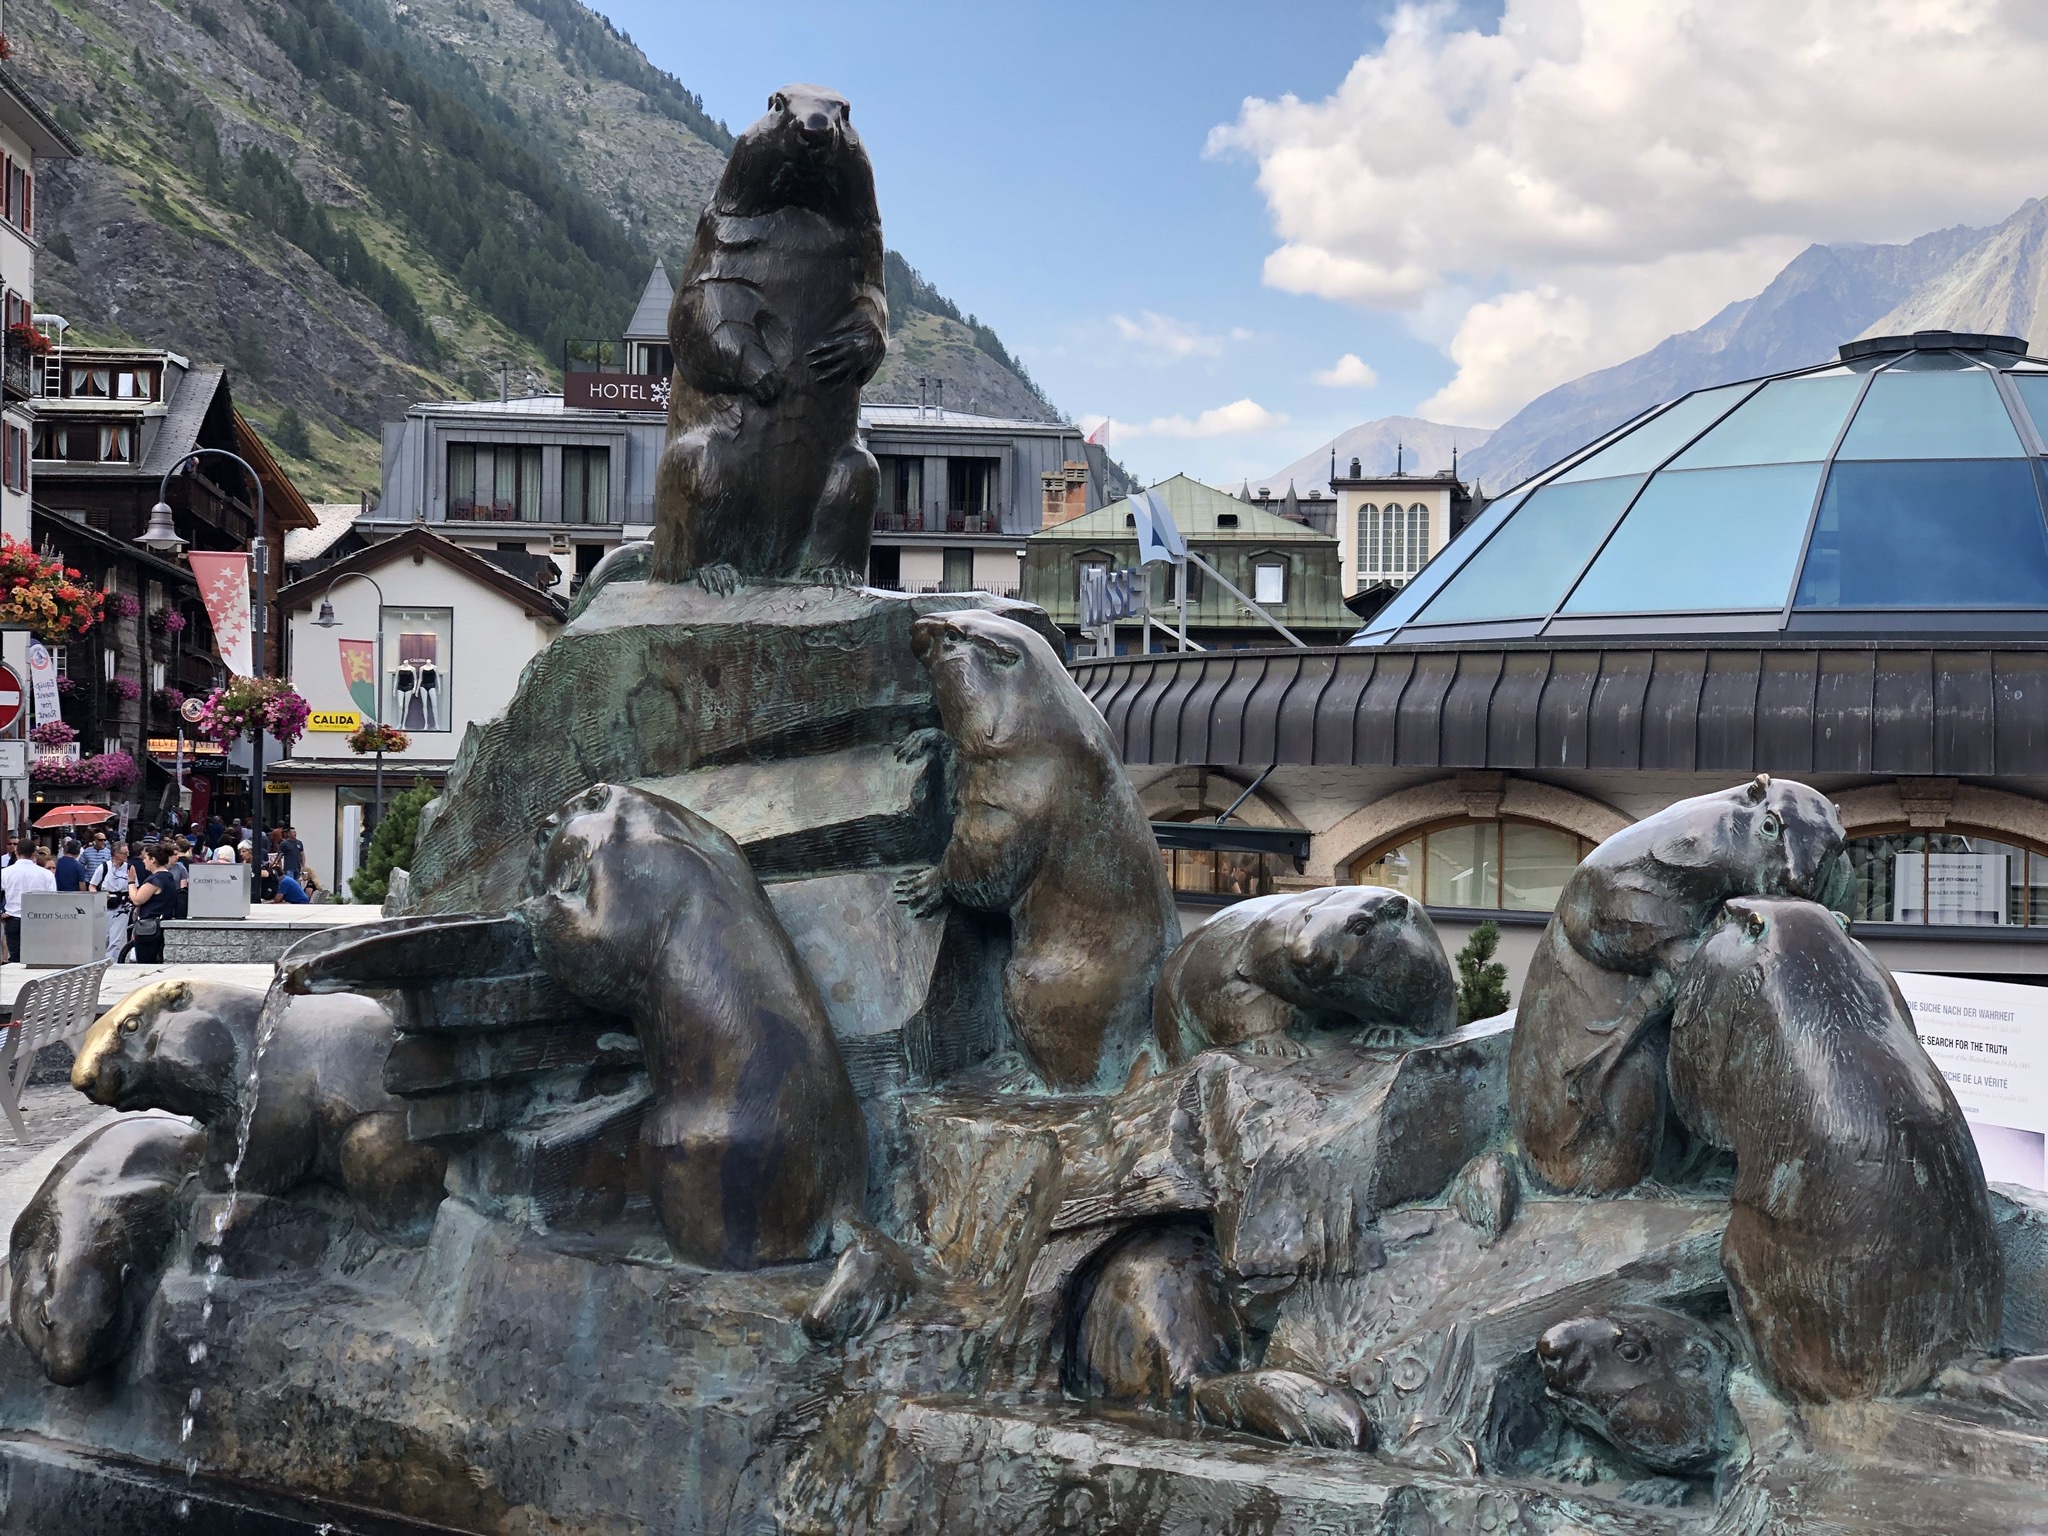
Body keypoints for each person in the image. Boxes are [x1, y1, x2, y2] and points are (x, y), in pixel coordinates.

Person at [2, 843, 54, 962]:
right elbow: (52, 899)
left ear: (16, 852)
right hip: (39, 919)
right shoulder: (46, 874)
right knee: (38, 958)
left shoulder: (5, 873)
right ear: (33, 854)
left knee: (16, 959)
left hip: (13, 918)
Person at [125, 844, 176, 964]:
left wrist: (131, 881)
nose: (143, 861)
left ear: (153, 859)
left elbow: (137, 899)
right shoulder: (168, 877)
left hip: (149, 925)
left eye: (146, 858)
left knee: (145, 961)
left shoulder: (154, 880)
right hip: (161, 922)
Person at [102, 841, 137, 960]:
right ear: (116, 854)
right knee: (105, 936)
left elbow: (134, 886)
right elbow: (92, 885)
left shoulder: (129, 868)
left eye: (128, 853)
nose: (127, 856)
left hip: (123, 906)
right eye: (124, 853)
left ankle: (112, 961)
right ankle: (103, 959)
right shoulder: (104, 867)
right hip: (106, 905)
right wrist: (101, 894)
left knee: (116, 938)